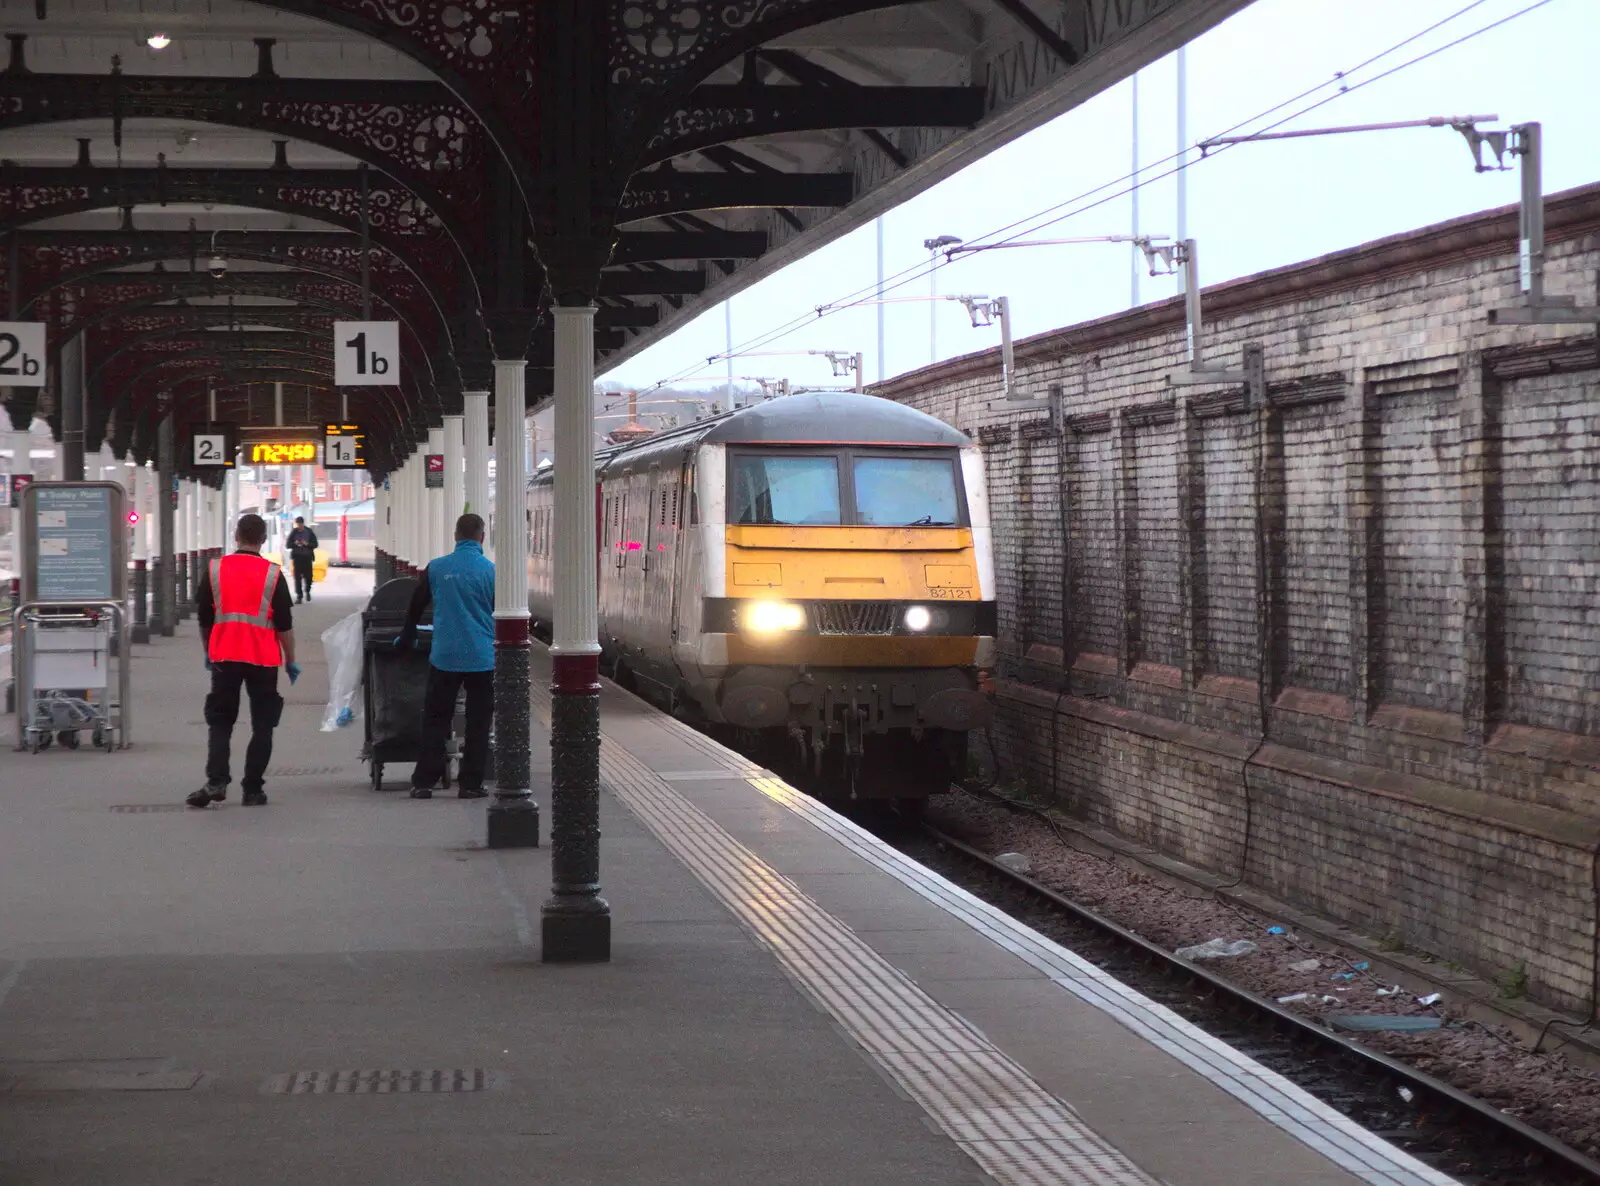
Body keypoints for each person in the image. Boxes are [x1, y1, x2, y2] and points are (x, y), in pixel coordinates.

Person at [187, 513, 301, 809]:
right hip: (263, 659)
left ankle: (216, 781)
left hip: (224, 655)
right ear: (263, 540)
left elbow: (204, 618)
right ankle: (252, 790)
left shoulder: (214, 569)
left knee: (221, 720)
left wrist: (207, 651)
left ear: (236, 536)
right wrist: (290, 660)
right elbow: (285, 625)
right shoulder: (273, 575)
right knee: (263, 724)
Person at [396, 513, 494, 800]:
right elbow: (501, 613)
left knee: (436, 718)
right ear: (482, 537)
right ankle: (471, 784)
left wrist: (408, 635)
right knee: (478, 722)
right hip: (481, 657)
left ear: (455, 536)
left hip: (445, 656)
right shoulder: (491, 571)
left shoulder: (437, 568)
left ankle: (424, 781)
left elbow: (415, 605)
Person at [285, 515, 319, 604]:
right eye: (297, 524)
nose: (298, 526)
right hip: (297, 557)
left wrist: (307, 544)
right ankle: (299, 596)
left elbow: (315, 544)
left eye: (300, 524)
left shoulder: (309, 532)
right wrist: (295, 543)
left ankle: (307, 590)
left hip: (307, 557)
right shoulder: (294, 532)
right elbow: (288, 545)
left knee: (308, 576)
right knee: (297, 578)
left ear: (302, 524)